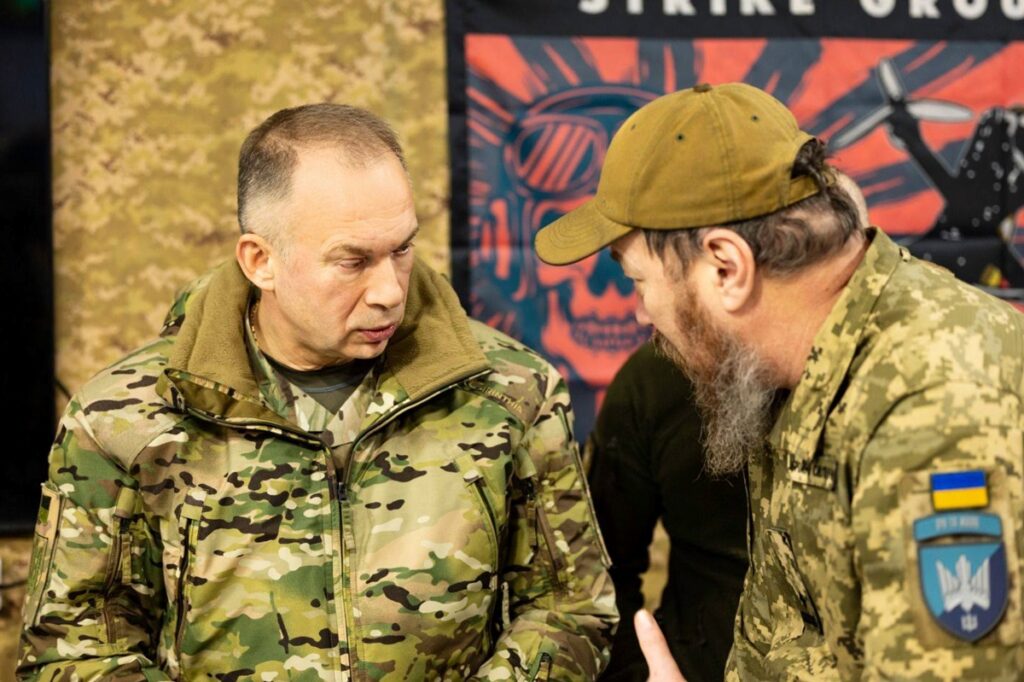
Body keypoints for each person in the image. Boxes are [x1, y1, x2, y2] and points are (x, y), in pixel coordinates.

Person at [18, 103, 617, 680]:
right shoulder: (124, 418)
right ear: (261, 261)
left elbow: (571, 610)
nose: (389, 291)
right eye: (352, 262)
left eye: (402, 249)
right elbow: (73, 648)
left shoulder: (510, 392)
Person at [535, 82, 1024, 679]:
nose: (642, 314)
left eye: (639, 281)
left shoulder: (933, 411)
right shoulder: (794, 367)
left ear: (726, 267)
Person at [587, 342, 747, 682]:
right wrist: (636, 672)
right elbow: (603, 571)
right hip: (691, 663)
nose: (640, 317)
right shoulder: (652, 380)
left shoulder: (854, 388)